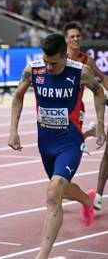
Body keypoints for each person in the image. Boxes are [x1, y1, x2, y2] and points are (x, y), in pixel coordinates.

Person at [8, 33, 105, 259]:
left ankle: (41, 256)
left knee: (53, 193)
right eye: (46, 61)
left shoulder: (80, 72)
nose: (49, 67)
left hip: (70, 141)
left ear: (64, 58)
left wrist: (100, 125)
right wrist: (13, 129)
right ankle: (86, 199)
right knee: (59, 188)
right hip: (46, 142)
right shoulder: (34, 70)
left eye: (54, 63)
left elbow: (99, 92)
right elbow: (18, 96)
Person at [64, 21, 108, 211]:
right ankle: (91, 131)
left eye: (78, 36)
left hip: (76, 110)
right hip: (60, 110)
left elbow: (102, 77)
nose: (75, 39)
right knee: (65, 148)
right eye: (72, 36)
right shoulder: (59, 58)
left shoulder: (86, 60)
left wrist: (107, 92)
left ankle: (62, 188)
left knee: (70, 147)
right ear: (65, 38)